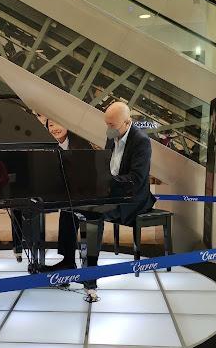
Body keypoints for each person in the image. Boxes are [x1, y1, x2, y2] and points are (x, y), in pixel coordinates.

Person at [46, 102, 156, 294]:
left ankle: (90, 276)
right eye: (107, 124)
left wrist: (109, 182)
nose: (108, 128)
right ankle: (68, 262)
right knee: (69, 209)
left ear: (127, 122)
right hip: (111, 191)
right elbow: (106, 165)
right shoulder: (112, 135)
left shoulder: (141, 141)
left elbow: (137, 179)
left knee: (94, 215)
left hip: (131, 197)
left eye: (112, 125)